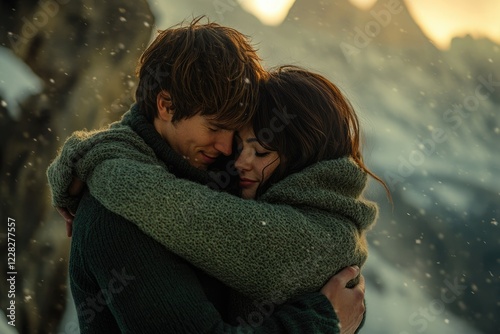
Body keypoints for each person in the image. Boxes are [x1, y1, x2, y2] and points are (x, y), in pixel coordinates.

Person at [47, 17, 366, 333]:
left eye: (235, 134)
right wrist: (320, 322)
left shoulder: (215, 166)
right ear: (166, 106)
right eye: (215, 128)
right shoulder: (115, 214)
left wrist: (88, 152)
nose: (229, 149)